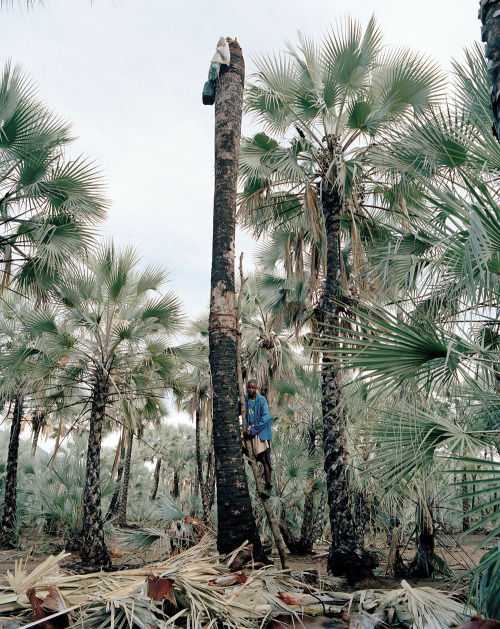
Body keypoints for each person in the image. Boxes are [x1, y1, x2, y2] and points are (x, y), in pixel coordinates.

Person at [242, 379, 273, 499]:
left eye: (253, 388)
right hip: (249, 432)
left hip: (260, 433)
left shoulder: (261, 400)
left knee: (265, 460)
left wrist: (253, 431)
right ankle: (251, 458)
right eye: (249, 388)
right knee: (242, 447)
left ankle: (268, 487)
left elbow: (266, 418)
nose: (251, 390)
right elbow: (239, 410)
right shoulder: (245, 400)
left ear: (257, 388)